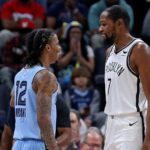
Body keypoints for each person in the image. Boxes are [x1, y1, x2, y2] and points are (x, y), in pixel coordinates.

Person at [99, 5, 150, 150]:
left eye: (104, 24)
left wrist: (149, 139)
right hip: (111, 123)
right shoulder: (109, 52)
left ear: (119, 23)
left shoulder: (140, 50)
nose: (100, 29)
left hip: (132, 124)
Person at [10, 28, 61, 150]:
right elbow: (43, 118)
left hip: (18, 143)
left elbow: (12, 110)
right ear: (48, 48)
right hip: (36, 143)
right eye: (57, 44)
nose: (59, 48)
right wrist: (54, 147)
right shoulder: (45, 76)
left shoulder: (21, 74)